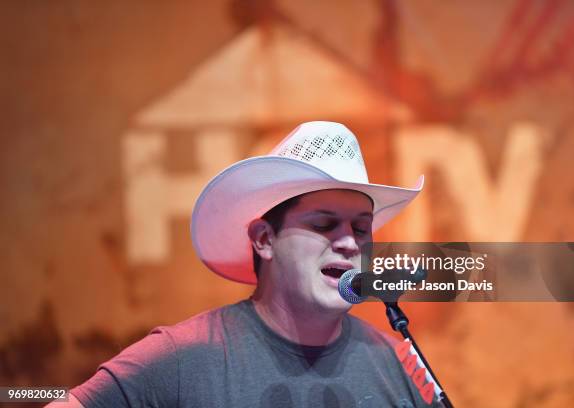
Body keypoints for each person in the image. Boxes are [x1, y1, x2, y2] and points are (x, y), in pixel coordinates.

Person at [49, 121, 434, 407]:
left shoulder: (397, 363)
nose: (350, 243)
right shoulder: (184, 357)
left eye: (362, 229)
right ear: (265, 239)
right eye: (324, 225)